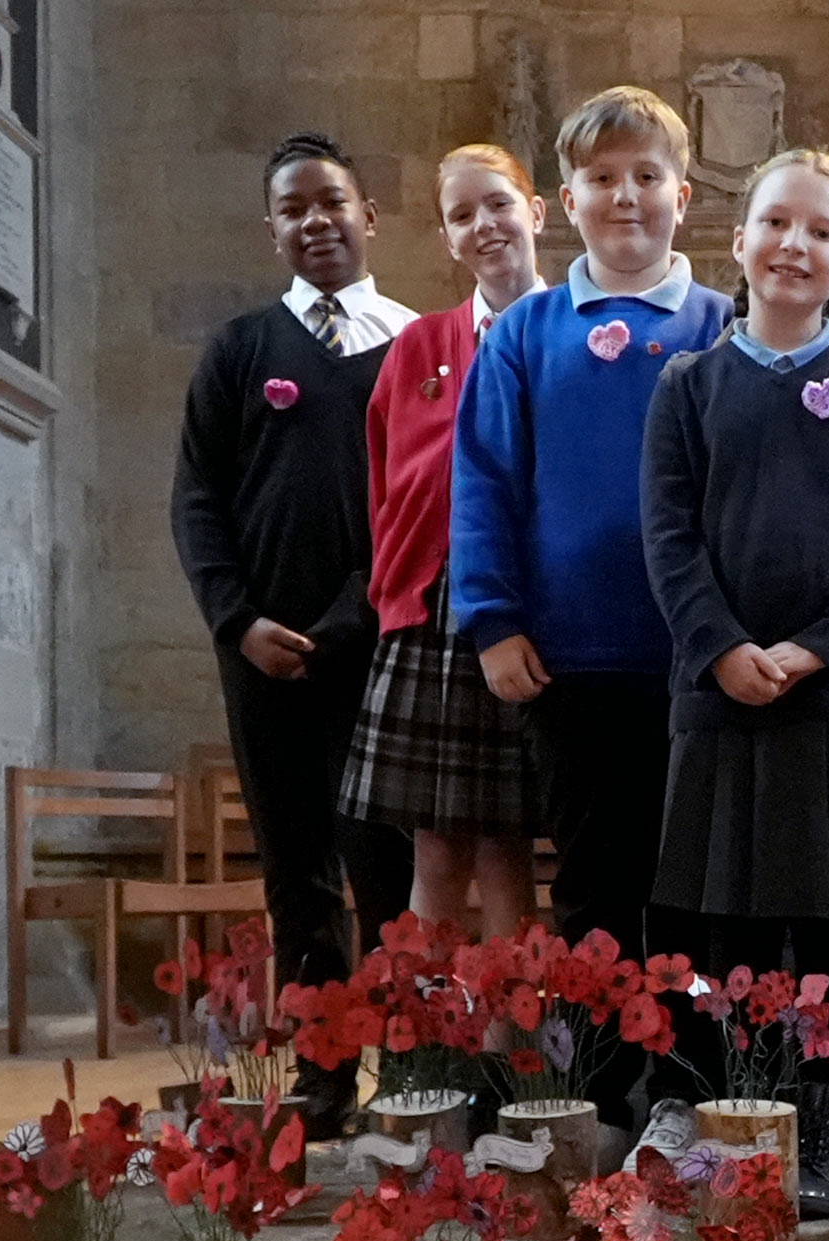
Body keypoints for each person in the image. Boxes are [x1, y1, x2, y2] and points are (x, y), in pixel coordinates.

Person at [450, 87, 733, 1124]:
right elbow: (481, 478)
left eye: (646, 176)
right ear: (566, 199)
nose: (626, 196)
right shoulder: (526, 334)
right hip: (566, 656)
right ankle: (602, 1091)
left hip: (694, 660)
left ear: (683, 194)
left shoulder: (720, 325)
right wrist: (491, 615)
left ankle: (696, 1087)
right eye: (603, 179)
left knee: (692, 884)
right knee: (592, 887)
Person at [642, 150, 829, 1133]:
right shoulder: (688, 387)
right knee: (725, 916)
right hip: (719, 694)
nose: (792, 245)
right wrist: (722, 646)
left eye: (819, 231)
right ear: (736, 241)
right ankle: (726, 1108)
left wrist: (815, 650)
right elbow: (668, 533)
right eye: (774, 223)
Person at [171, 130, 417, 1137]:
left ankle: (410, 1067)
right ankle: (321, 1075)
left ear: (369, 216)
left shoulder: (413, 345)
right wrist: (238, 620)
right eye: (293, 208)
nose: (315, 220)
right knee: (298, 869)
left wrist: (353, 613)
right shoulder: (238, 351)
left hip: (378, 648)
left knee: (386, 866)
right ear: (271, 228)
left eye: (332, 202)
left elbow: (419, 499)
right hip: (264, 652)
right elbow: (197, 499)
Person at [340, 144, 550, 939]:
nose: (484, 225)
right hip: (433, 610)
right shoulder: (419, 347)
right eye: (462, 215)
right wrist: (397, 595)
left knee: (507, 853)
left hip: (528, 613)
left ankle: (516, 1059)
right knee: (434, 852)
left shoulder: (571, 331)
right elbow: (388, 483)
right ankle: (425, 1059)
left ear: (535, 211)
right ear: (447, 240)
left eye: (497, 203)